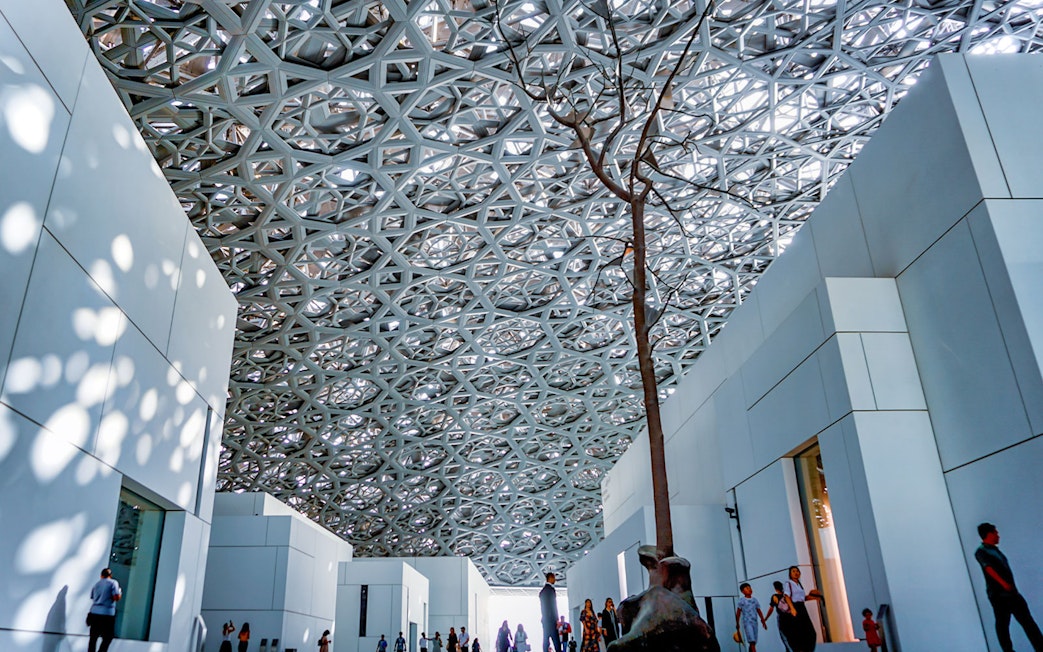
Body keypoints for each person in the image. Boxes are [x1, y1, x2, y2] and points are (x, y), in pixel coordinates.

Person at [975, 522, 1043, 651]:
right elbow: (988, 568)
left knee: (1028, 622)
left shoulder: (995, 550)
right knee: (1003, 624)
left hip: (1012, 593)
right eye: (996, 533)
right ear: (989, 534)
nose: (998, 536)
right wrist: (1003, 583)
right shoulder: (981, 552)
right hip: (999, 596)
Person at [783, 566, 823, 652]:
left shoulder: (799, 584)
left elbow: (802, 598)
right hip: (795, 607)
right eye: (793, 571)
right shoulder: (788, 583)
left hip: (802, 607)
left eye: (797, 571)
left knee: (811, 633)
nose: (796, 573)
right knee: (799, 632)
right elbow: (787, 596)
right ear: (790, 574)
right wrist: (792, 608)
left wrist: (813, 597)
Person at [88, 568, 122, 652]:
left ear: (101, 575)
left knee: (93, 638)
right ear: (110, 575)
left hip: (94, 612)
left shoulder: (96, 584)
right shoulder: (113, 583)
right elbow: (116, 597)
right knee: (108, 637)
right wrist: (120, 593)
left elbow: (92, 597)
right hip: (107, 614)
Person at [763, 581, 795, 652]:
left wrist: (765, 619)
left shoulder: (775, 596)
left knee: (784, 637)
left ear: (775, 588)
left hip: (782, 618)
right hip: (790, 617)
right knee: (791, 636)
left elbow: (771, 609)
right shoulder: (787, 596)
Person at [735, 583, 767, 652]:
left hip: (755, 623)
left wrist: (763, 620)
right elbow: (738, 612)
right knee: (752, 641)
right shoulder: (742, 600)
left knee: (754, 642)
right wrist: (737, 623)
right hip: (747, 623)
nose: (749, 589)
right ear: (742, 591)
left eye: (749, 587)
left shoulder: (755, 600)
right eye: (746, 588)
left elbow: (758, 610)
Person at [539, 572, 562, 652]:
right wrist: (557, 619)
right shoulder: (551, 590)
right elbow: (553, 605)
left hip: (545, 620)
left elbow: (543, 607)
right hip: (552, 620)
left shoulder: (542, 592)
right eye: (554, 578)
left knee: (545, 640)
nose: (555, 580)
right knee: (556, 642)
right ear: (551, 578)